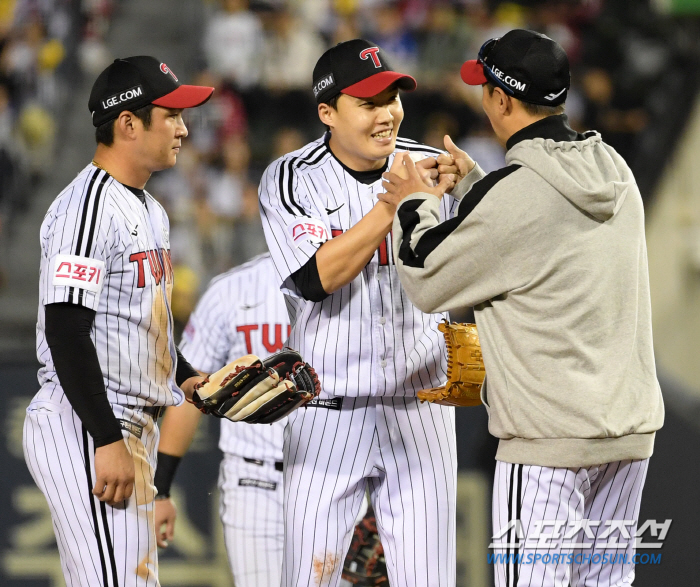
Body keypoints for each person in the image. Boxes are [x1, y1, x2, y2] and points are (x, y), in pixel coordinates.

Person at [386, 30, 665, 587]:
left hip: (548, 448)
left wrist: (411, 202)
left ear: (502, 101)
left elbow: (424, 275)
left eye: (484, 88)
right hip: (628, 440)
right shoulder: (613, 167)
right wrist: (475, 187)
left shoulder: (515, 193)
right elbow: (542, 233)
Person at [258, 39, 461, 587]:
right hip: (328, 413)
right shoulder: (291, 177)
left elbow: (471, 269)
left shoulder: (430, 165)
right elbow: (314, 279)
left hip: (420, 411)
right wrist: (394, 206)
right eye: (370, 102)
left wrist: (474, 197)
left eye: (393, 96)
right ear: (327, 112)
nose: (388, 112)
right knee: (310, 578)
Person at [23, 56, 214, 587]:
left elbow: (142, 327)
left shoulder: (151, 209)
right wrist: (105, 437)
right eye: (171, 114)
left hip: (129, 421)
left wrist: (189, 377)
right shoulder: (85, 207)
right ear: (128, 123)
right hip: (90, 420)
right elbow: (65, 328)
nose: (183, 127)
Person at [153, 252, 291, 587]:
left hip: (337, 472)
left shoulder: (358, 278)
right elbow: (192, 395)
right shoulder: (232, 289)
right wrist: (161, 489)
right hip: (255, 480)